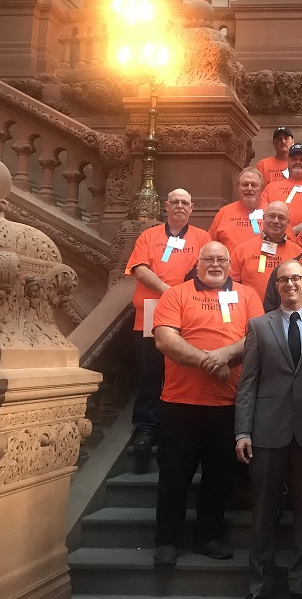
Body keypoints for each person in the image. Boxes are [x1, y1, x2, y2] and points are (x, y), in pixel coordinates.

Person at [151, 241, 264, 566]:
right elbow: (165, 339)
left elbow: (256, 336)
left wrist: (225, 355)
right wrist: (207, 361)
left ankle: (208, 536)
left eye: (221, 260)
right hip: (179, 403)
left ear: (230, 264)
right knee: (173, 475)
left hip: (228, 404)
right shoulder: (176, 294)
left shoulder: (247, 296)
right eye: (209, 259)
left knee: (219, 476)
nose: (215, 264)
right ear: (198, 263)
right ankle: (167, 540)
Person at [236, 259, 302, 599]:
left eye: (296, 278)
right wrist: (242, 431)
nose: (290, 284)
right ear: (276, 286)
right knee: (263, 513)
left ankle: (300, 586)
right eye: (283, 280)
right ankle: (258, 585)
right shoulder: (258, 326)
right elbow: (248, 383)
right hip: (267, 432)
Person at [125, 188, 211, 470]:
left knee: (180, 371)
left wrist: (180, 296)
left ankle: (173, 426)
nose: (179, 206)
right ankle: (146, 427)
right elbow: (139, 268)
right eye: (174, 202)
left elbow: (208, 272)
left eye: (185, 203)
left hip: (187, 314)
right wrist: (168, 290)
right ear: (166, 206)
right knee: (150, 372)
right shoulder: (149, 236)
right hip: (150, 313)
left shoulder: (202, 238)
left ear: (192, 208)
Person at [229, 201, 302, 299]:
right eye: (272, 216)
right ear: (263, 218)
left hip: (287, 312)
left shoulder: (299, 253)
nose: (276, 221)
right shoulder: (241, 251)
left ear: (288, 223)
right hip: (251, 311)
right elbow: (231, 287)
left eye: (281, 218)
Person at [209, 167, 266, 251]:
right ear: (238, 188)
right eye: (245, 184)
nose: (249, 188)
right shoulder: (224, 212)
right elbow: (210, 245)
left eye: (254, 185)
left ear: (262, 189)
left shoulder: (273, 212)